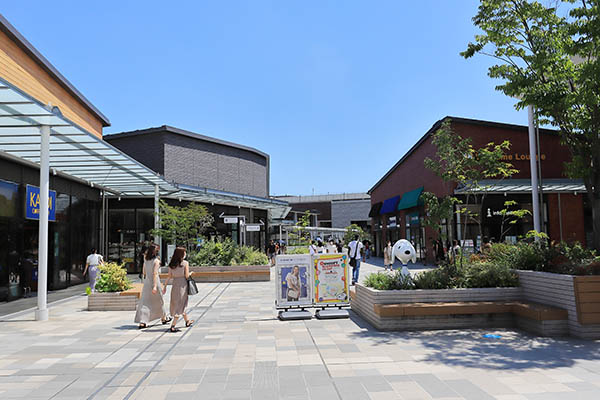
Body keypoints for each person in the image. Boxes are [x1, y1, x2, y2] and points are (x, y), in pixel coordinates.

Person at [134, 243, 171, 329]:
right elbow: (155, 273)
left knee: (145, 302)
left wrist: (145, 277)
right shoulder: (156, 261)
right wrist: (154, 286)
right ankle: (163, 318)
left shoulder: (146, 259)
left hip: (147, 282)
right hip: (155, 282)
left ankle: (143, 322)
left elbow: (144, 270)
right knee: (159, 300)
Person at [163, 247, 193, 332]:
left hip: (175, 285)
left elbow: (169, 276)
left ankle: (187, 321)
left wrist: (165, 286)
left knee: (177, 303)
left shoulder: (172, 264)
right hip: (182, 285)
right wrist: (191, 273)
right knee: (181, 304)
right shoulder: (185, 263)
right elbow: (186, 276)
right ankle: (173, 325)